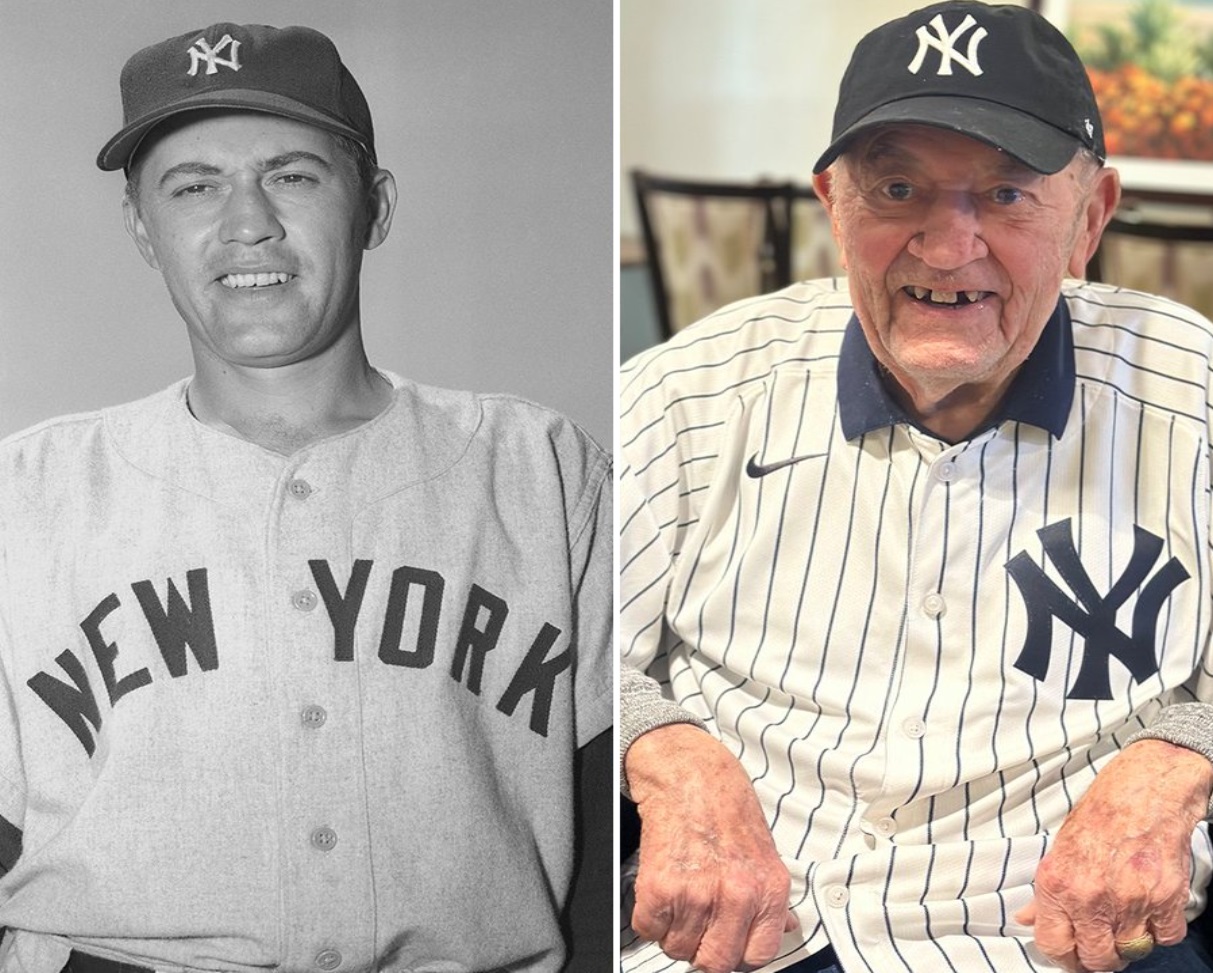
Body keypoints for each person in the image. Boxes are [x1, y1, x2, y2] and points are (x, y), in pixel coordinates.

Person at [0, 22, 612, 973]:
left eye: (292, 174)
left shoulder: (541, 469)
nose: (248, 222)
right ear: (141, 229)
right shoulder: (28, 493)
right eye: (193, 185)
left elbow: (627, 822)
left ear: (375, 205)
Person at [618, 3, 1213, 972]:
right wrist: (666, 751)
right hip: (755, 939)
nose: (947, 246)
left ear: (1089, 220)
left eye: (1008, 196)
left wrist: (1184, 755)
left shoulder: (1192, 396)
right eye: (897, 188)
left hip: (1063, 945)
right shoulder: (690, 394)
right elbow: (570, 638)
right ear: (833, 207)